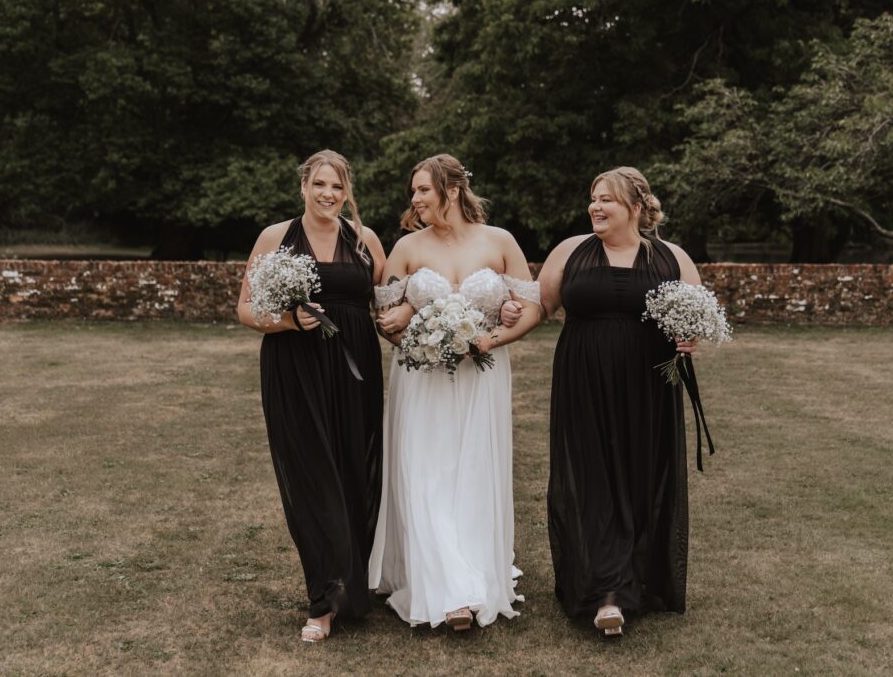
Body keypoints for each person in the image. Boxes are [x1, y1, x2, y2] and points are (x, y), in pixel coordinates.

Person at [368, 154, 542, 631]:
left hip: (482, 375)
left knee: (474, 471)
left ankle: (475, 577)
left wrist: (494, 337)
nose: (415, 199)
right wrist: (409, 330)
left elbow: (532, 307)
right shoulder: (406, 247)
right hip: (422, 378)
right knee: (425, 472)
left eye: (423, 190)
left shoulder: (499, 241)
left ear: (450, 190)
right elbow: (384, 318)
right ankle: (447, 592)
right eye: (414, 192)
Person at [536, 166, 700, 637]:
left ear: (635, 207)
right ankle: (607, 592)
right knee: (592, 478)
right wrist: (508, 312)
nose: (596, 206)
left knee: (640, 476)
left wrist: (691, 339)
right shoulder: (571, 251)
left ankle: (639, 579)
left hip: (649, 386)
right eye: (592, 197)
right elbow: (538, 304)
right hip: (583, 382)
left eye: (607, 198)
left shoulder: (672, 258)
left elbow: (699, 315)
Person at [236, 150, 387, 643]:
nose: (328, 195)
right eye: (320, 184)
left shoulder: (364, 241)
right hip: (294, 367)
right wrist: (287, 321)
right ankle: (323, 600)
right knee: (312, 477)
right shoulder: (275, 238)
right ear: (303, 185)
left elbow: (388, 300)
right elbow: (244, 310)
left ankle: (353, 584)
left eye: (338, 187)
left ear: (347, 192)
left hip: (356, 368)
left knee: (353, 471)